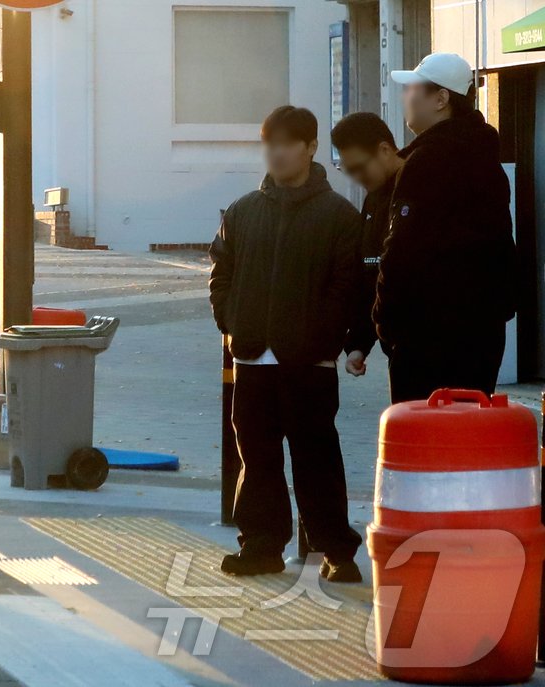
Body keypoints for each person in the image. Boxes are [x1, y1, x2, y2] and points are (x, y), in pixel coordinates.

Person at [209, 106, 364, 582]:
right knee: (257, 458)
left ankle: (336, 549)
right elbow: (221, 277)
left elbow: (347, 287)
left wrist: (323, 340)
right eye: (269, 143)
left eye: (287, 143)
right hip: (254, 356)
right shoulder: (242, 212)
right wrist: (233, 324)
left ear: (311, 148)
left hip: (310, 361)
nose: (276, 152)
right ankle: (260, 545)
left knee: (316, 456)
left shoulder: (338, 216)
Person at [378, 53, 516, 403]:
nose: (405, 96)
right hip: (482, 335)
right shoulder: (486, 159)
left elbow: (401, 251)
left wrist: (385, 321)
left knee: (423, 444)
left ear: (441, 99)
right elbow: (502, 246)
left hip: (425, 337)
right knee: (466, 440)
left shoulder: (426, 161)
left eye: (413, 88)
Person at [330, 112, 403, 380]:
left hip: (432, 346)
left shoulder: (418, 189)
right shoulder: (373, 200)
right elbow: (369, 276)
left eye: (360, 167)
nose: (356, 177)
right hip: (397, 348)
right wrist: (359, 344)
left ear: (384, 149)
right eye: (348, 171)